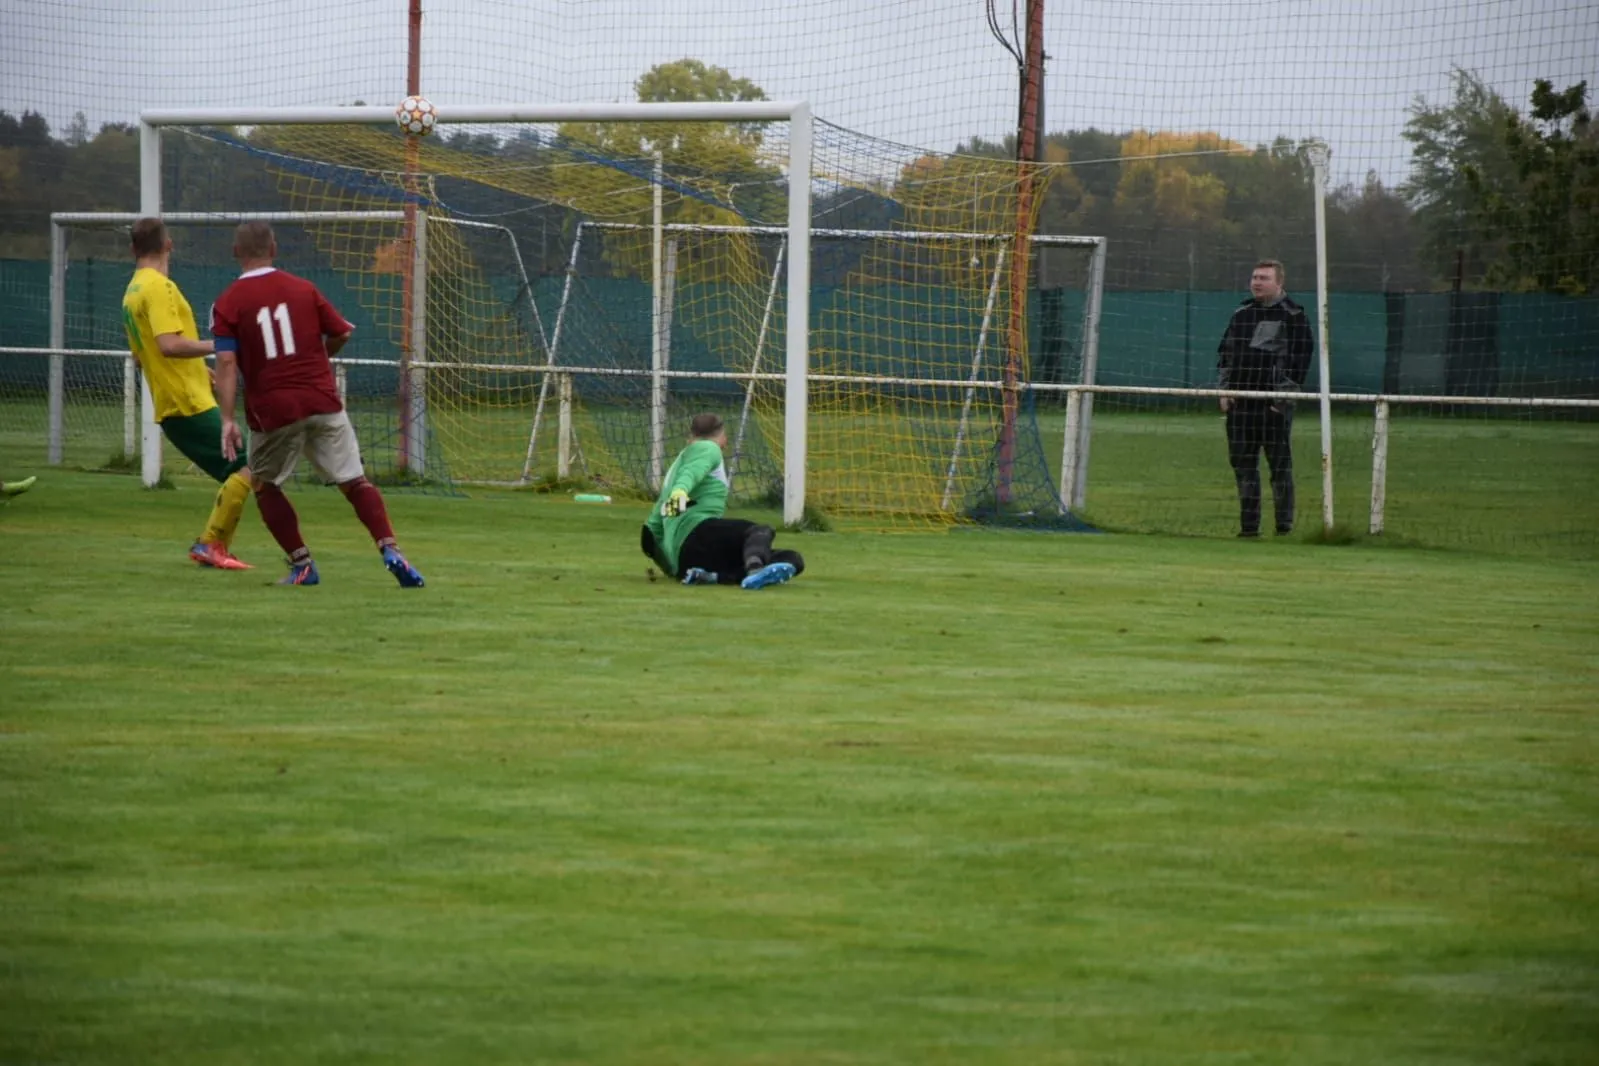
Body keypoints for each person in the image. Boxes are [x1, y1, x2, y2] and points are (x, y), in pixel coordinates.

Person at [211, 221, 424, 589]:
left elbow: (227, 363)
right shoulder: (304, 288)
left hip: (274, 408)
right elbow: (342, 332)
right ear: (274, 249)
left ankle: (303, 565)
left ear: (235, 253)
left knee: (263, 484)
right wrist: (316, 358)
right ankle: (390, 548)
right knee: (354, 480)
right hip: (322, 399)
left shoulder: (227, 302)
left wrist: (227, 418)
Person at [121, 217, 255, 569]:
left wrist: (198, 370)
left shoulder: (132, 291)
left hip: (173, 401)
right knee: (246, 468)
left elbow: (143, 356)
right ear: (169, 245)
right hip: (188, 403)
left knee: (242, 468)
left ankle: (214, 545)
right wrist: (221, 345)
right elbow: (168, 345)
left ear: (133, 249)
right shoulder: (159, 287)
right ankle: (211, 544)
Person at [640, 413, 804, 590]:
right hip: (696, 536)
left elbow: (650, 530)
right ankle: (755, 570)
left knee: (792, 559)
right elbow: (690, 474)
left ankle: (712, 577)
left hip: (688, 561)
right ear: (722, 435)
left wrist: (672, 567)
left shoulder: (675, 468)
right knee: (760, 531)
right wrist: (680, 492)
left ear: (690, 436)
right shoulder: (708, 447)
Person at [1216, 258, 1314, 537]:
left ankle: (1284, 527)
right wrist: (1223, 391)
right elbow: (1226, 354)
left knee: (1279, 466)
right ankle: (1249, 528)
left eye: (1264, 278)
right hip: (1240, 404)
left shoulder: (1294, 316)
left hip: (1273, 406)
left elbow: (1300, 362)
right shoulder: (1241, 313)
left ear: (1279, 282)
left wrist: (1281, 400)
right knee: (1243, 465)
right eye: (1255, 277)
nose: (1257, 282)